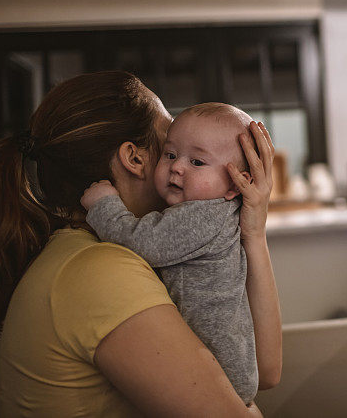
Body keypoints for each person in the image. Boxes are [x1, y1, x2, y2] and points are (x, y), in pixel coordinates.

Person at [0, 71, 281, 416]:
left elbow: (265, 373)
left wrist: (253, 232)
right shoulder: (102, 271)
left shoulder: (87, 252)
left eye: (196, 160)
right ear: (134, 158)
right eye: (169, 148)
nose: (179, 167)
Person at [80, 103, 261, 404]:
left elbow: (142, 242)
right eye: (171, 154)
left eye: (198, 162)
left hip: (219, 370)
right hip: (219, 366)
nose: (177, 167)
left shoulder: (203, 215)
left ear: (235, 185)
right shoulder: (208, 211)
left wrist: (104, 205)